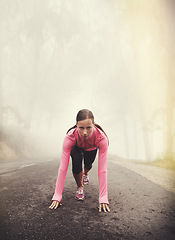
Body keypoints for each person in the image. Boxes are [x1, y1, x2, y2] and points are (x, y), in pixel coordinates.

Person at [49, 109, 110, 213]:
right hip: (77, 147)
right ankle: (80, 186)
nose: (85, 132)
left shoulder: (101, 138)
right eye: (81, 128)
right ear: (76, 125)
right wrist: (57, 195)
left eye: (88, 128)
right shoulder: (70, 136)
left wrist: (103, 197)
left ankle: (85, 173)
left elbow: (102, 170)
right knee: (76, 160)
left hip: (91, 149)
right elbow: (62, 169)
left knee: (88, 165)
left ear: (93, 125)